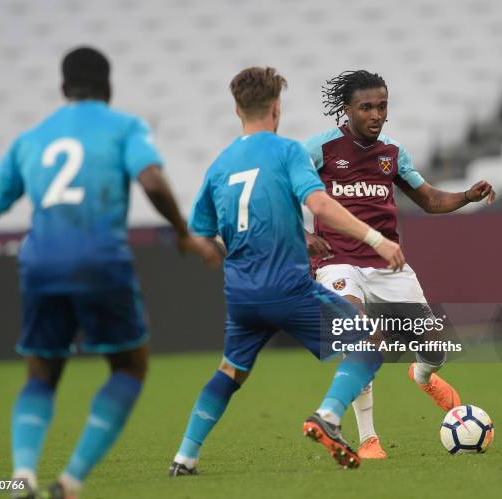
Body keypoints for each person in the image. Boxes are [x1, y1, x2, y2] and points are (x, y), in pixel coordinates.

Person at [0, 47, 219, 499]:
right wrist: (182, 233)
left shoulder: (31, 138)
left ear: (63, 90)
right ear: (109, 88)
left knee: (41, 374)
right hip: (101, 260)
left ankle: (20, 478)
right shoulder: (125, 127)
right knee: (128, 367)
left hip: (39, 264)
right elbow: (153, 181)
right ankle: (70, 481)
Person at [168, 66, 406, 476]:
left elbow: (199, 237)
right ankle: (329, 415)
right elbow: (320, 205)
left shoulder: (220, 166)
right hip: (288, 288)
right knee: (371, 339)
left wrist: (235, 250)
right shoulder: (287, 152)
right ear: (276, 108)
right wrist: (376, 239)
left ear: (237, 109)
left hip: (242, 295)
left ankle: (184, 458)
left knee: (231, 371)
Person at [304, 70, 496, 459]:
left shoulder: (392, 152)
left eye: (382, 106)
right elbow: (281, 187)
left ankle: (422, 375)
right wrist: (300, 234)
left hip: (387, 263)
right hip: (338, 262)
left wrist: (466, 196)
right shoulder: (320, 149)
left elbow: (428, 199)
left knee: (434, 347)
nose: (376, 115)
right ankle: (368, 438)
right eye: (367, 107)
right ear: (347, 111)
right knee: (358, 337)